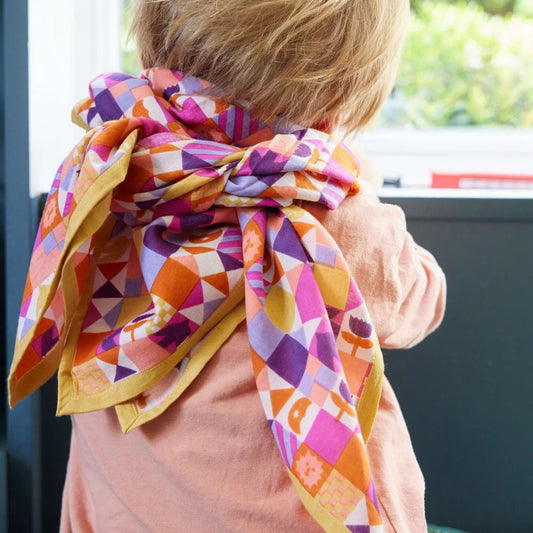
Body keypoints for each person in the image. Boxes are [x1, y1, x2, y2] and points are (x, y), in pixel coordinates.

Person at [9, 0, 446, 531]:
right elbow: (422, 299)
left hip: (116, 513)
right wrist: (359, 183)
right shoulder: (337, 217)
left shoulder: (111, 182)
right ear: (334, 104)